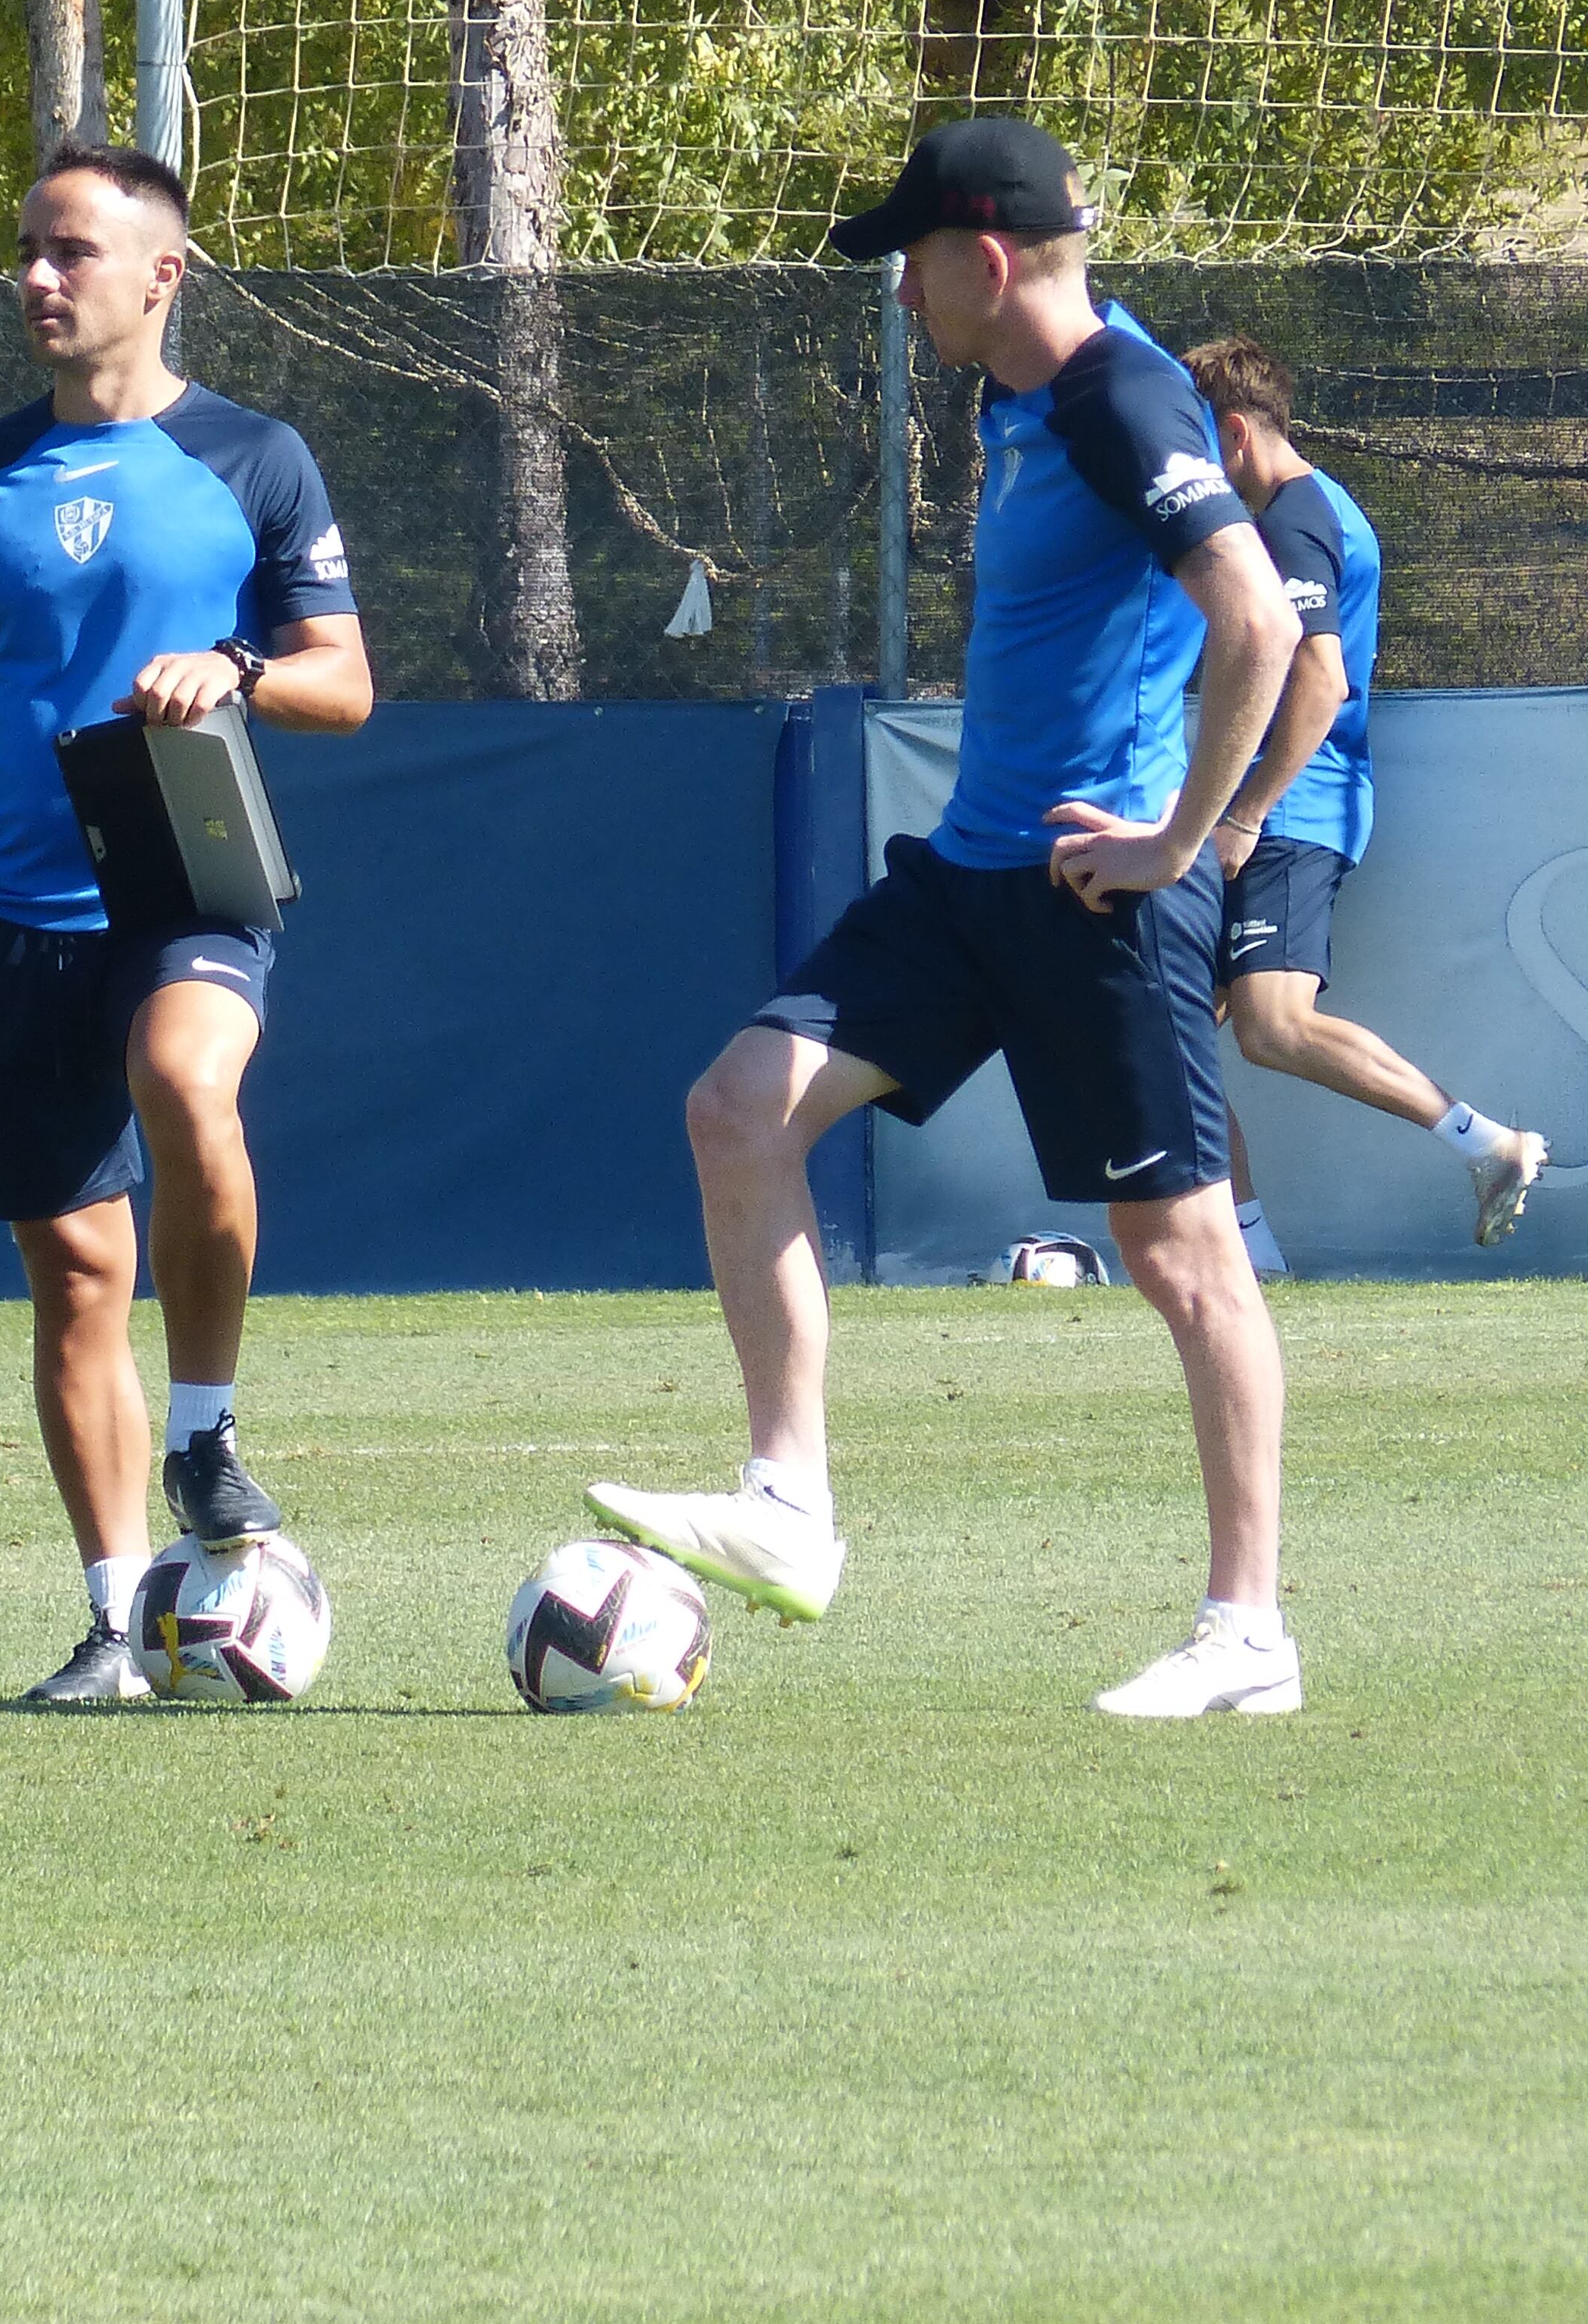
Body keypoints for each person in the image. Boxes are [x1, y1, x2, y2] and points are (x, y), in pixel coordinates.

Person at [586, 118, 1313, 1718]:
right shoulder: (1008, 394)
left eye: (913, 262)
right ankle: (788, 1511)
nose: (901, 294)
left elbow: (1257, 619)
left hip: (1088, 895)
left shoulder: (1122, 398)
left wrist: (1179, 842)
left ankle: (1249, 1634)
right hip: (968, 873)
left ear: (986, 260)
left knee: (1179, 1254)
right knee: (738, 1110)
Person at [0, 140, 373, 1707]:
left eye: (70, 251)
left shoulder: (255, 457)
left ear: (164, 275)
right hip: (6, 909)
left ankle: (206, 1432)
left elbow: (343, 683)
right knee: (75, 1280)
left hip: (183, 867)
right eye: (26, 249)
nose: (35, 276)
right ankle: (113, 1622)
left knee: (184, 1080)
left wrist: (234, 673)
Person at [1178, 333, 1548, 1273]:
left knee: (1271, 1026)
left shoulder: (1297, 518)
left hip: (1295, 810)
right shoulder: (1306, 509)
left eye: (1188, 444)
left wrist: (1244, 811)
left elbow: (1321, 682)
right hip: (1279, 808)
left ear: (1230, 436)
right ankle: (1250, 1260)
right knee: (1162, 1035)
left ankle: (1488, 1144)